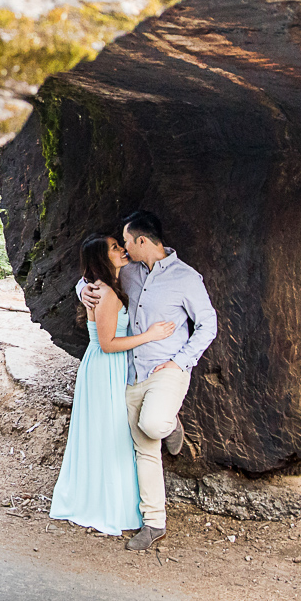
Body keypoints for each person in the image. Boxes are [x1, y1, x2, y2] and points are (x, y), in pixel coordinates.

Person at [79, 210, 217, 552]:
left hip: (166, 371)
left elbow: (208, 325)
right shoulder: (129, 273)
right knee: (144, 450)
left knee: (154, 423)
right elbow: (94, 276)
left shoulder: (186, 278)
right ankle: (155, 523)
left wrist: (180, 361)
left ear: (142, 241)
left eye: (126, 241)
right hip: (129, 373)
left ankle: (169, 424)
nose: (123, 248)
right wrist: (83, 290)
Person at [49, 232, 178, 536]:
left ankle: (106, 500)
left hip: (109, 367)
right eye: (114, 248)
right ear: (101, 259)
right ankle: (107, 505)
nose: (122, 249)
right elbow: (107, 343)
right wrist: (150, 335)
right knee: (111, 436)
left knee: (109, 435)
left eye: (121, 244)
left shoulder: (112, 284)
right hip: (106, 367)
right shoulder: (106, 293)